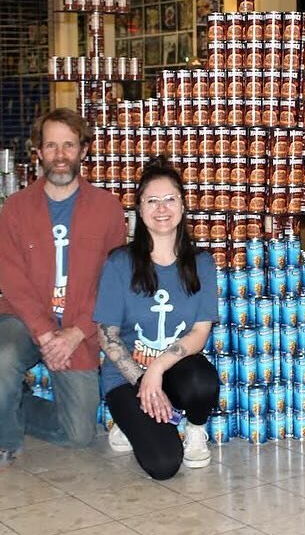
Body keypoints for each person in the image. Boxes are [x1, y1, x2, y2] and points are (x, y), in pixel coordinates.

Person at [0, 108, 127, 472]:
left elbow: (112, 281)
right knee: (0, 359)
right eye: (51, 146)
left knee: (79, 435)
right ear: (38, 152)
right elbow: (12, 280)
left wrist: (76, 333)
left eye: (69, 145)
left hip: (81, 323)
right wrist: (47, 335)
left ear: (83, 151)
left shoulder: (108, 208)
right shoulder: (16, 209)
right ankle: (5, 436)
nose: (60, 155)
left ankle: (10, 406)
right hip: (26, 318)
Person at [94, 158, 220, 479]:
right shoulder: (119, 264)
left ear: (182, 205)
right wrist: (141, 379)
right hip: (126, 378)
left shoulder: (202, 264)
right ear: (139, 209)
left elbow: (200, 333)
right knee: (163, 465)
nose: (161, 209)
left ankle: (194, 429)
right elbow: (107, 336)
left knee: (202, 381)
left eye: (170, 199)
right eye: (152, 201)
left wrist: (158, 369)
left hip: (171, 371)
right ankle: (129, 421)